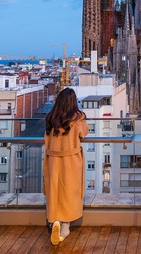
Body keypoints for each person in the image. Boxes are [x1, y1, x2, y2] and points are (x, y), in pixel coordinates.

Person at [44, 88, 89, 246]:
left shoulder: (51, 118)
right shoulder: (77, 120)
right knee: (70, 191)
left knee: (54, 191)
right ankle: (65, 227)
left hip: (53, 160)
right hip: (70, 160)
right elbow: (84, 133)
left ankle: (55, 220)